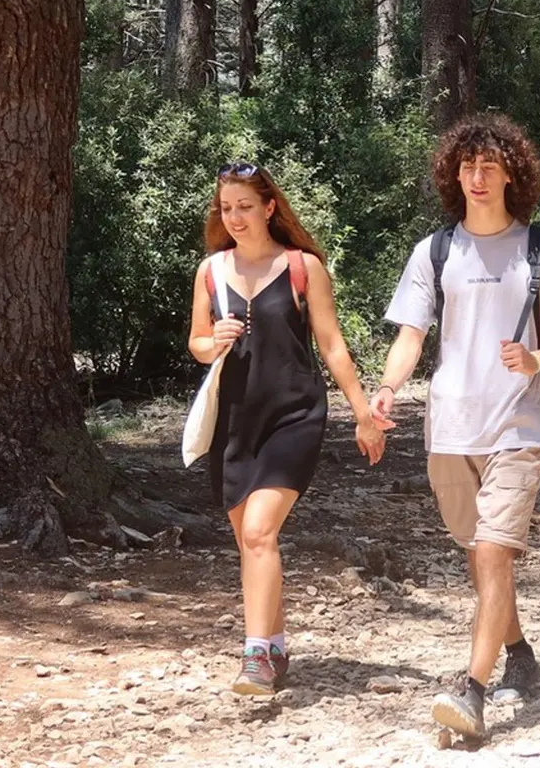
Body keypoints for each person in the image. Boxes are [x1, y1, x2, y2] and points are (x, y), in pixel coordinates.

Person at [370, 114, 540, 742]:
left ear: (511, 174)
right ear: (454, 175)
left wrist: (539, 359)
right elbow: (411, 336)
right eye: (467, 167)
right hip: (449, 428)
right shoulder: (435, 251)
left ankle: (471, 691)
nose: (477, 177)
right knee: (482, 560)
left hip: (518, 427)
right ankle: (519, 652)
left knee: (494, 551)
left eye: (489, 167)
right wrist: (386, 390)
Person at [187, 161, 391, 697]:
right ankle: (275, 647)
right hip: (233, 423)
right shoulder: (210, 271)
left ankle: (255, 656)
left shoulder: (303, 268)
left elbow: (332, 346)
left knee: (258, 532)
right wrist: (215, 341)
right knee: (252, 541)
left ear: (270, 207)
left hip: (295, 415)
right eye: (226, 208)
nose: (233, 217)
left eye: (245, 206)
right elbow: (197, 343)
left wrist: (363, 413)